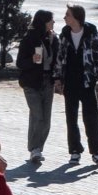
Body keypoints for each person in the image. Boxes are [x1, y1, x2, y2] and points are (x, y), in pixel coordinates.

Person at [53, 3, 98, 165]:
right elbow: (59, 57)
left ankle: (97, 151)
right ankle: (75, 151)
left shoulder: (91, 34)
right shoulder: (64, 34)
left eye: (67, 15)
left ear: (76, 17)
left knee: (90, 117)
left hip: (87, 81)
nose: (64, 18)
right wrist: (57, 78)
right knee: (71, 118)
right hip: (70, 82)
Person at [14, 10, 58, 162]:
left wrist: (58, 79)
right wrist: (32, 59)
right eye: (51, 20)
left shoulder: (53, 39)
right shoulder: (29, 39)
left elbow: (56, 61)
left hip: (48, 82)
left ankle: (39, 147)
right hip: (32, 83)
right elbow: (20, 63)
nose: (53, 23)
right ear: (43, 22)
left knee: (46, 119)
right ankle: (34, 149)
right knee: (37, 116)